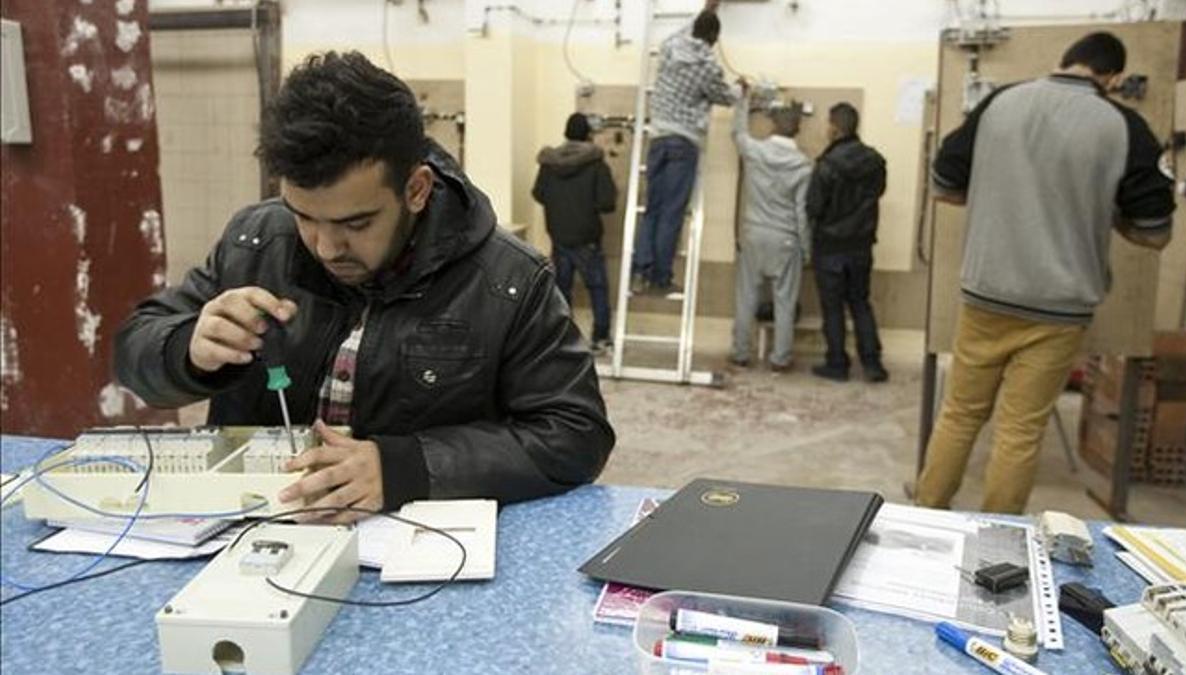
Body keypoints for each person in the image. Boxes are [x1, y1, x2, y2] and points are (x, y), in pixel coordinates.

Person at [114, 52, 615, 523]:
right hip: (250, 529)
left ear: (415, 190)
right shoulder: (257, 241)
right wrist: (188, 349)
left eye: (356, 223)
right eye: (304, 216)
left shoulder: (509, 281)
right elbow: (135, 350)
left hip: (412, 549)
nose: (327, 247)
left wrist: (407, 468)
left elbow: (575, 434)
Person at [915, 32, 1174, 514]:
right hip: (1060, 308)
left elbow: (944, 186)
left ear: (1065, 60)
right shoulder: (1124, 126)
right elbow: (1155, 232)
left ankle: (929, 509)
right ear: (1112, 77)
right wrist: (1101, 212)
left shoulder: (1000, 104)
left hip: (986, 295)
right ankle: (1000, 534)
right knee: (1020, 428)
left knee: (961, 413)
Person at [632, 0, 738, 295]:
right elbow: (726, 97)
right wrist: (743, 89)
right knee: (671, 213)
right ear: (714, 40)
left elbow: (686, 31)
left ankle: (640, 271)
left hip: (658, 140)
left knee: (652, 209)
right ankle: (661, 277)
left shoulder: (669, 47)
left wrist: (707, 9)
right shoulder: (708, 67)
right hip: (683, 143)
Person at [805, 103, 889, 383]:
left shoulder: (826, 166)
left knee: (833, 308)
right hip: (862, 245)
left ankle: (837, 363)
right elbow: (877, 193)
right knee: (860, 303)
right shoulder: (876, 162)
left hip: (830, 247)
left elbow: (813, 207)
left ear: (835, 128)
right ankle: (873, 363)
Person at [729, 94, 813, 372]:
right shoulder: (803, 166)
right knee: (785, 302)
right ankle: (780, 358)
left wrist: (743, 102)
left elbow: (737, 132)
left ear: (773, 126)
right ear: (797, 129)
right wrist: (806, 248)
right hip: (786, 237)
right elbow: (802, 212)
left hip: (754, 233)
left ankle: (741, 352)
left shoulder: (756, 151)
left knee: (746, 297)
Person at [533, 113, 617, 353]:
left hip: (559, 236)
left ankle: (562, 340)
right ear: (587, 134)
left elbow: (538, 193)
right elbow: (606, 203)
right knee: (597, 288)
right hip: (587, 238)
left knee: (560, 290)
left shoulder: (549, 163)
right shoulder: (596, 163)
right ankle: (600, 338)